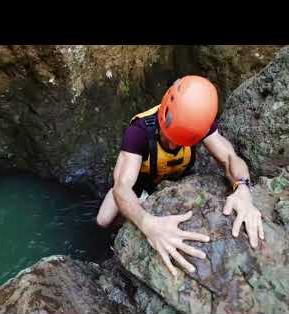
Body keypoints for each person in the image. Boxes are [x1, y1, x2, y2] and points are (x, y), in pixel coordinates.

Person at [96, 75, 264, 277]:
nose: (174, 145)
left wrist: (243, 188)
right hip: (138, 184)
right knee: (103, 220)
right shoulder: (139, 131)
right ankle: (124, 228)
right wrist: (147, 224)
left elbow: (230, 158)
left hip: (174, 182)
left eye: (181, 141)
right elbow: (121, 187)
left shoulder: (198, 122)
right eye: (170, 138)